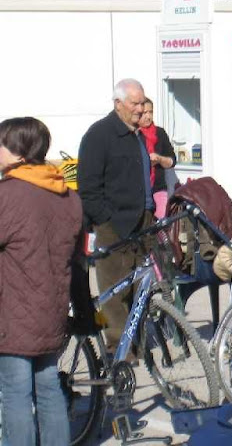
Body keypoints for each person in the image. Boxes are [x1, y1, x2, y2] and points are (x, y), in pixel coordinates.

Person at [0, 117, 83, 446]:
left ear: (18, 152)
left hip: (13, 310)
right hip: (52, 306)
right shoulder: (67, 195)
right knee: (48, 386)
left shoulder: (8, 195)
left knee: (15, 392)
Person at [77, 78, 155, 352]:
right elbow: (88, 188)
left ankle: (137, 344)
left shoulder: (137, 135)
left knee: (140, 289)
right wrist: (106, 220)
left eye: (142, 103)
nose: (140, 108)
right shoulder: (99, 135)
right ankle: (118, 353)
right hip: (114, 226)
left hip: (142, 223)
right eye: (135, 103)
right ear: (118, 103)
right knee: (115, 291)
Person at [139, 97, 177, 218]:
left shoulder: (160, 133)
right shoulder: (134, 134)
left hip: (158, 189)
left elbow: (172, 161)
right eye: (144, 113)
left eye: (150, 112)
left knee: (161, 223)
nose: (148, 116)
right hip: (139, 191)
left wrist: (159, 159)